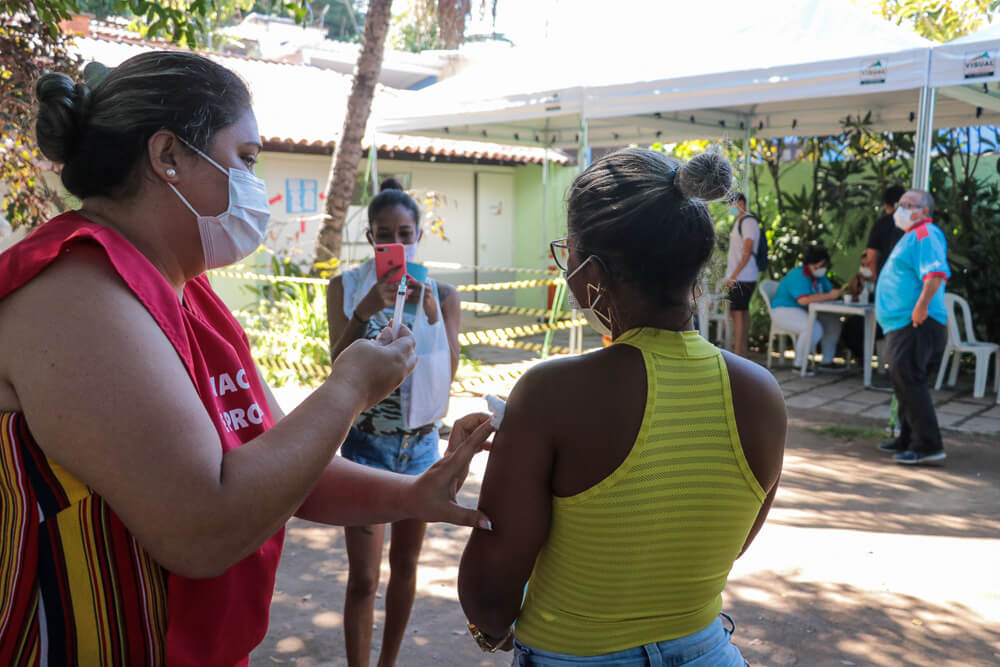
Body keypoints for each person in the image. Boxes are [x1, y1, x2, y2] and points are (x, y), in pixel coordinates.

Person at [0, 52, 494, 666]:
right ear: (169, 156)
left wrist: (415, 494)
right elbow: (204, 530)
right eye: (246, 160)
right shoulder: (78, 292)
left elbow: (278, 460)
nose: (254, 188)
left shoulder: (184, 289)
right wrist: (349, 390)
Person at [456, 148, 787, 664]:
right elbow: (723, 546)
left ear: (589, 269)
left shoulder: (552, 393)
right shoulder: (760, 391)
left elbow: (489, 596)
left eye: (567, 251)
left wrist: (492, 634)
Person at [326, 180, 461, 667]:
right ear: (370, 239)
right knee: (363, 578)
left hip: (420, 447)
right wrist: (365, 312)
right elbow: (335, 365)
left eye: (406, 234)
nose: (397, 246)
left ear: (419, 235)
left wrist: (429, 316)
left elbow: (449, 375)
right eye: (386, 236)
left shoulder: (441, 293)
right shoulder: (345, 288)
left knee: (406, 566)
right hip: (366, 445)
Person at [875, 190, 950, 465]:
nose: (902, 209)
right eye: (901, 204)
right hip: (903, 323)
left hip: (914, 322)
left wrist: (921, 307)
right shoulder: (912, 236)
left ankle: (927, 445)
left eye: (910, 205)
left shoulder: (925, 233)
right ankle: (907, 439)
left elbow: (935, 274)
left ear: (925, 211)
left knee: (910, 382)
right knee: (903, 383)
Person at [769, 247, 844, 371]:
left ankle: (827, 361)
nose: (822, 268)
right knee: (813, 327)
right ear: (811, 263)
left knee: (833, 322)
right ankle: (799, 364)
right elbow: (803, 300)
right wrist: (830, 295)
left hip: (805, 311)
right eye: (820, 265)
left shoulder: (820, 277)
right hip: (784, 311)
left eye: (824, 265)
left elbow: (828, 293)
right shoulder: (798, 274)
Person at [724, 192, 760, 357]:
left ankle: (738, 354)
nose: (729, 208)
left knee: (738, 313)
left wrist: (734, 276)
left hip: (743, 276)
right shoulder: (741, 220)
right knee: (740, 312)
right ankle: (741, 352)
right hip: (742, 276)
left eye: (731, 204)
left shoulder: (748, 222)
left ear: (740, 202)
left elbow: (747, 251)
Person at [865, 184, 906, 279]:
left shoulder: (881, 224)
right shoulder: (915, 224)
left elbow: (871, 257)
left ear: (886, 204)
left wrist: (878, 279)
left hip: (886, 278)